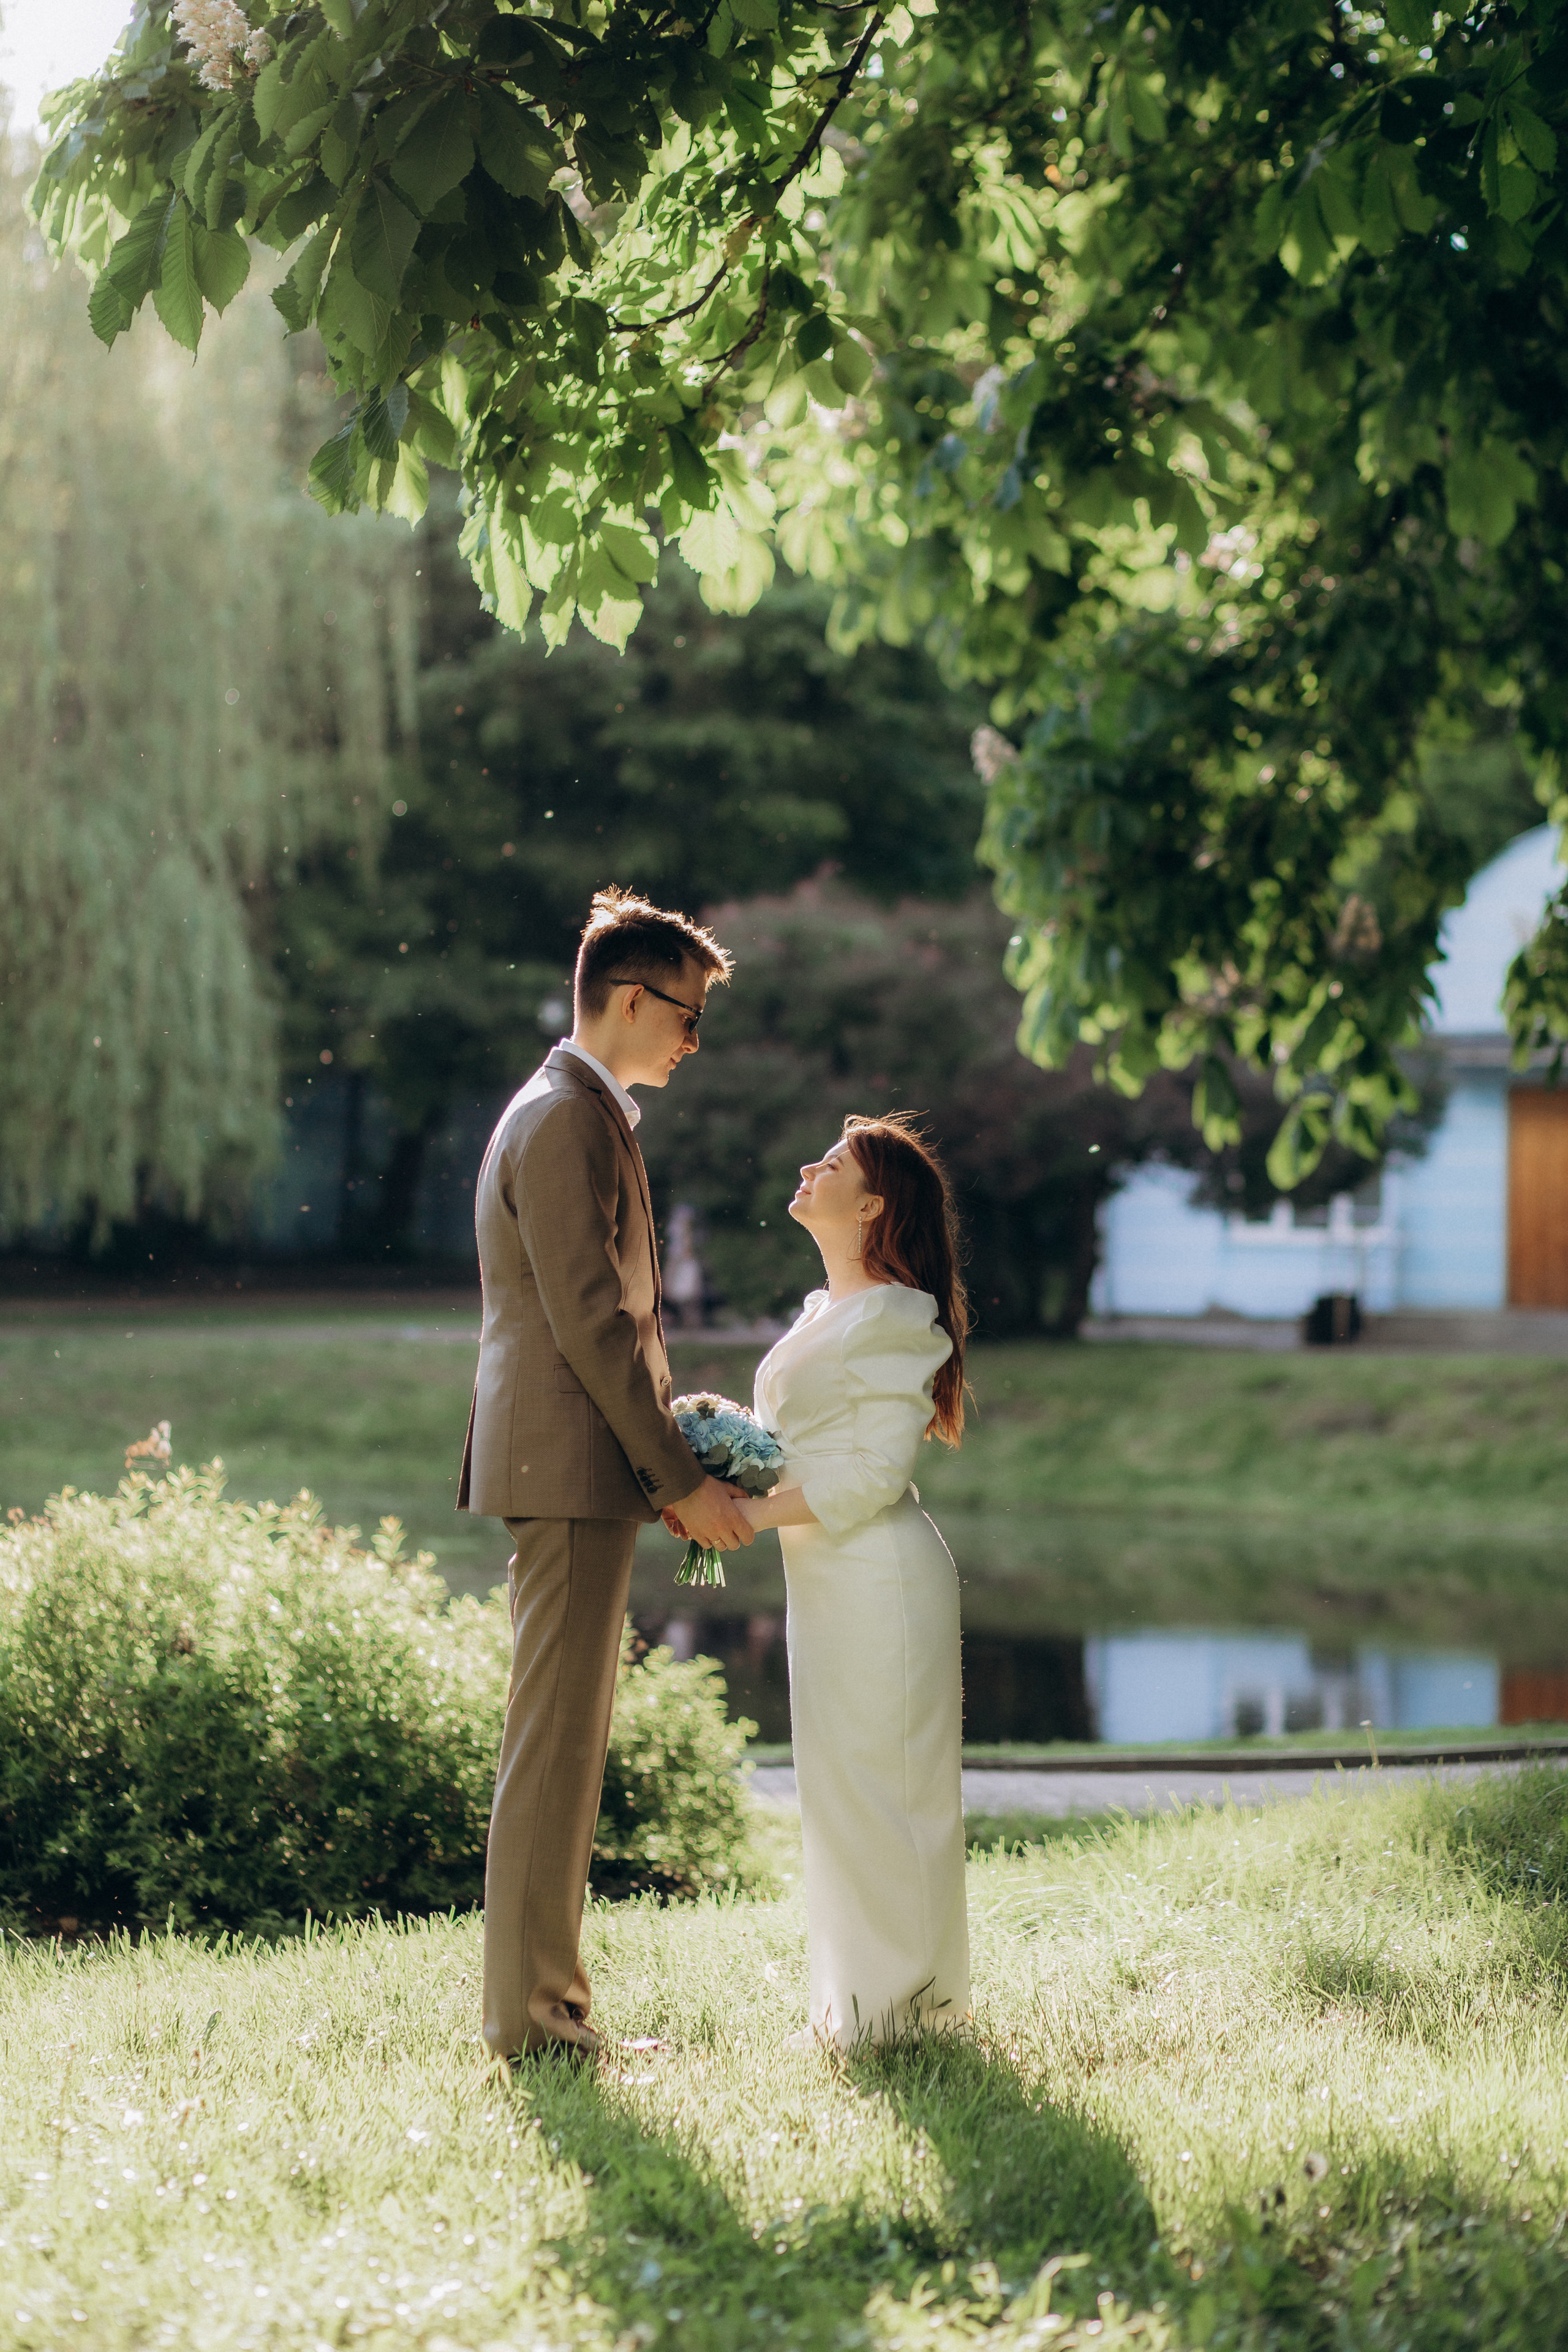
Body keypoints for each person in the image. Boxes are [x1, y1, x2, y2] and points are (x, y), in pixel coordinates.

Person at [458, 887, 755, 2063]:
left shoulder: (580, 1108)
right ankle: (535, 2022)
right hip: (572, 1463)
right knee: (555, 1745)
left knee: (564, 1740)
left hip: (574, 1459)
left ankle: (542, 2007)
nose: (693, 1040)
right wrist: (679, 1477)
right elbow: (595, 1322)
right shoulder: (568, 1116)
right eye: (687, 1017)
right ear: (630, 999)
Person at [732, 1114, 972, 2048]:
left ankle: (906, 2009)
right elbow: (803, 1445)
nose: (808, 1167)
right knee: (836, 1791)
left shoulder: (896, 1316)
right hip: (826, 1576)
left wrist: (745, 1515)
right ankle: (856, 2006)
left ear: (871, 1207)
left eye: (831, 1165)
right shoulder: (823, 1310)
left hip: (881, 1579)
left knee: (888, 1791)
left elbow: (872, 1473)